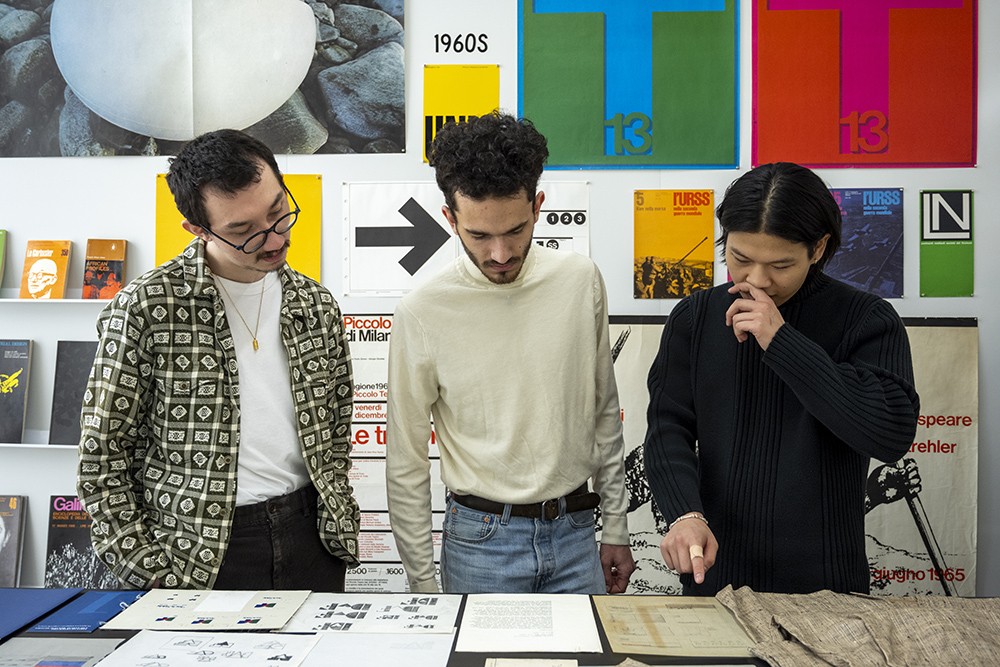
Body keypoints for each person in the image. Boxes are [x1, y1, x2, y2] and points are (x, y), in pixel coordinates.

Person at [77, 129, 359, 591]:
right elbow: (102, 458)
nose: (271, 239)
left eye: (278, 213)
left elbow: (336, 430)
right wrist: (149, 572)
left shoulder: (315, 305)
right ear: (197, 229)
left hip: (313, 539)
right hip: (196, 554)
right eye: (242, 231)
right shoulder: (148, 308)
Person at [386, 111, 635, 594]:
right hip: (481, 545)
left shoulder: (580, 280)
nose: (500, 253)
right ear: (450, 219)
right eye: (479, 235)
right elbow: (407, 458)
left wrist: (618, 528)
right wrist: (421, 583)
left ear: (538, 206)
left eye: (516, 230)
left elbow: (604, 410)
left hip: (577, 536)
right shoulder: (423, 310)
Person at [644, 162, 920, 595]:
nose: (756, 280)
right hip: (715, 582)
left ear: (818, 248)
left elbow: (889, 434)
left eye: (779, 265)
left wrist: (780, 340)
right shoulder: (695, 318)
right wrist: (685, 513)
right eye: (740, 259)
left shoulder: (866, 318)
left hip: (828, 589)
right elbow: (667, 429)